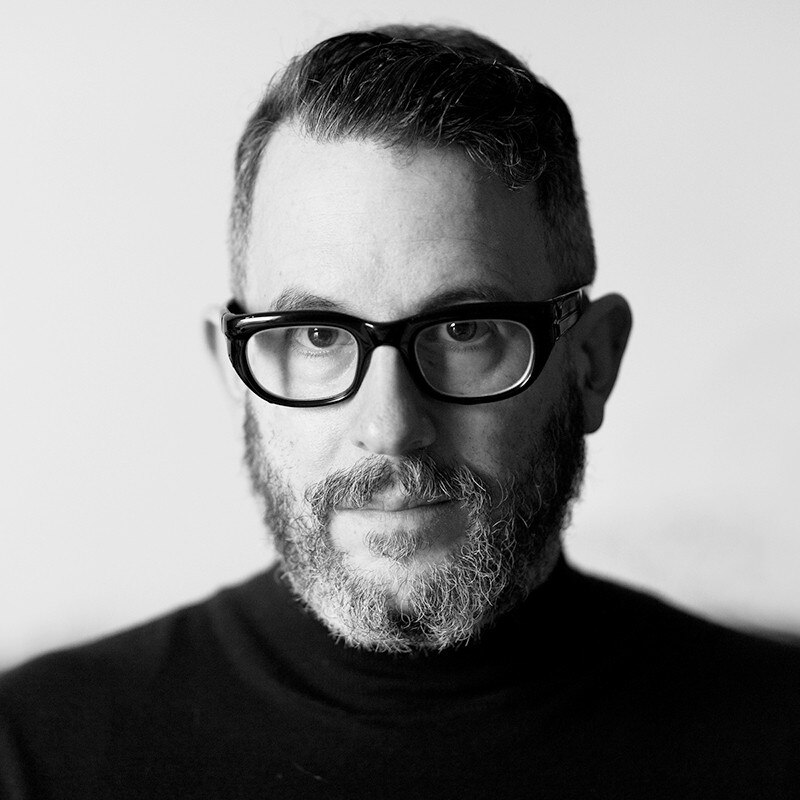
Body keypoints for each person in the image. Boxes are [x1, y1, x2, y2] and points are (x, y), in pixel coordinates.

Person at [1, 24, 798, 800]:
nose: (389, 428)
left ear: (592, 363)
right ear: (233, 370)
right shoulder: (35, 753)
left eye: (464, 331)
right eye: (317, 334)